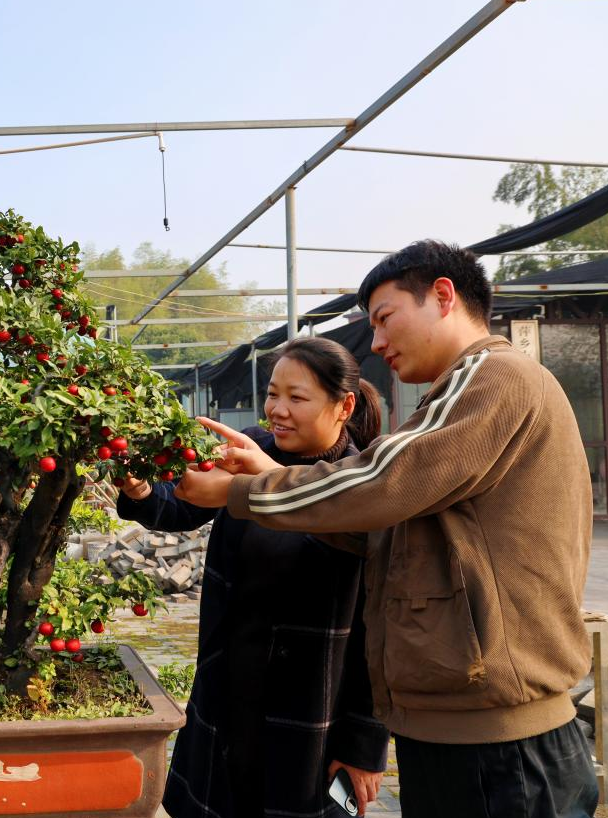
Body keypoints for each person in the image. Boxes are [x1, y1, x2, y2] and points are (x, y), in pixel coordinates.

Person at [178, 240, 598, 818]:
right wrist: (269, 477)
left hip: (499, 738)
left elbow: (387, 480)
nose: (375, 343)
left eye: (384, 318)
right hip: (463, 725)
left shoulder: (495, 377)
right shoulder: (460, 390)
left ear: (443, 296)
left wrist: (244, 491)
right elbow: (389, 533)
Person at [119, 337, 388, 817]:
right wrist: (143, 489)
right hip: (229, 690)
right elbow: (181, 504)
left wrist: (365, 744)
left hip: (310, 709)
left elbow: (379, 633)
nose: (277, 410)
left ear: (344, 405)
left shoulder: (362, 484)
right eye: (272, 393)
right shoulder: (252, 450)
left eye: (297, 397)